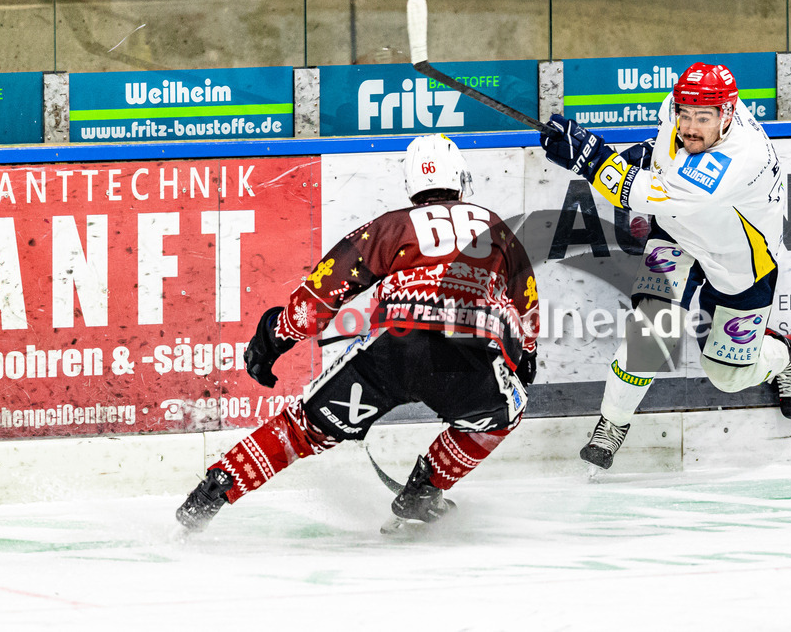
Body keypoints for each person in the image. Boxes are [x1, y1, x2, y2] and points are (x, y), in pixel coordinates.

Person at [176, 134, 540, 531]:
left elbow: (321, 294)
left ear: (410, 184)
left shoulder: (390, 226)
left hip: (390, 353)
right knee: (504, 415)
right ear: (460, 178)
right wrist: (525, 361)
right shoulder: (495, 228)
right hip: (465, 361)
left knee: (301, 429)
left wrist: (274, 338)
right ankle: (424, 490)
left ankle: (213, 491)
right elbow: (527, 306)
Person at [540, 62, 791, 470]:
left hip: (739, 262)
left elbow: (646, 193)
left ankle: (785, 355)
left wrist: (591, 160)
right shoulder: (678, 110)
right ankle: (612, 424)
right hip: (678, 236)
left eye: (703, 118)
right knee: (650, 337)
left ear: (729, 114)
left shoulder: (742, 157)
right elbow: (665, 151)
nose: (690, 126)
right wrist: (629, 155)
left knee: (728, 376)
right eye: (685, 113)